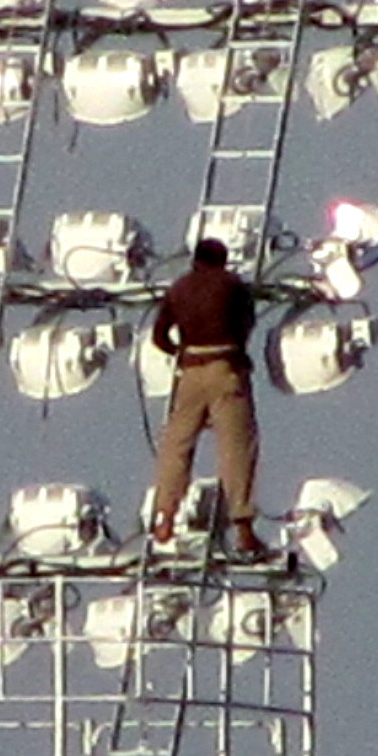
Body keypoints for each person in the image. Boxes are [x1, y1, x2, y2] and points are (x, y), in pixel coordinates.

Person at [148, 238, 269, 560]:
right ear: (223, 260)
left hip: (190, 372)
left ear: (195, 260)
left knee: (176, 445)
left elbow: (159, 335)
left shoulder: (179, 288)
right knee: (236, 447)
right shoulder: (233, 286)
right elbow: (247, 323)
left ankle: (165, 518)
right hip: (225, 368)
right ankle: (243, 528)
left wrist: (180, 353)